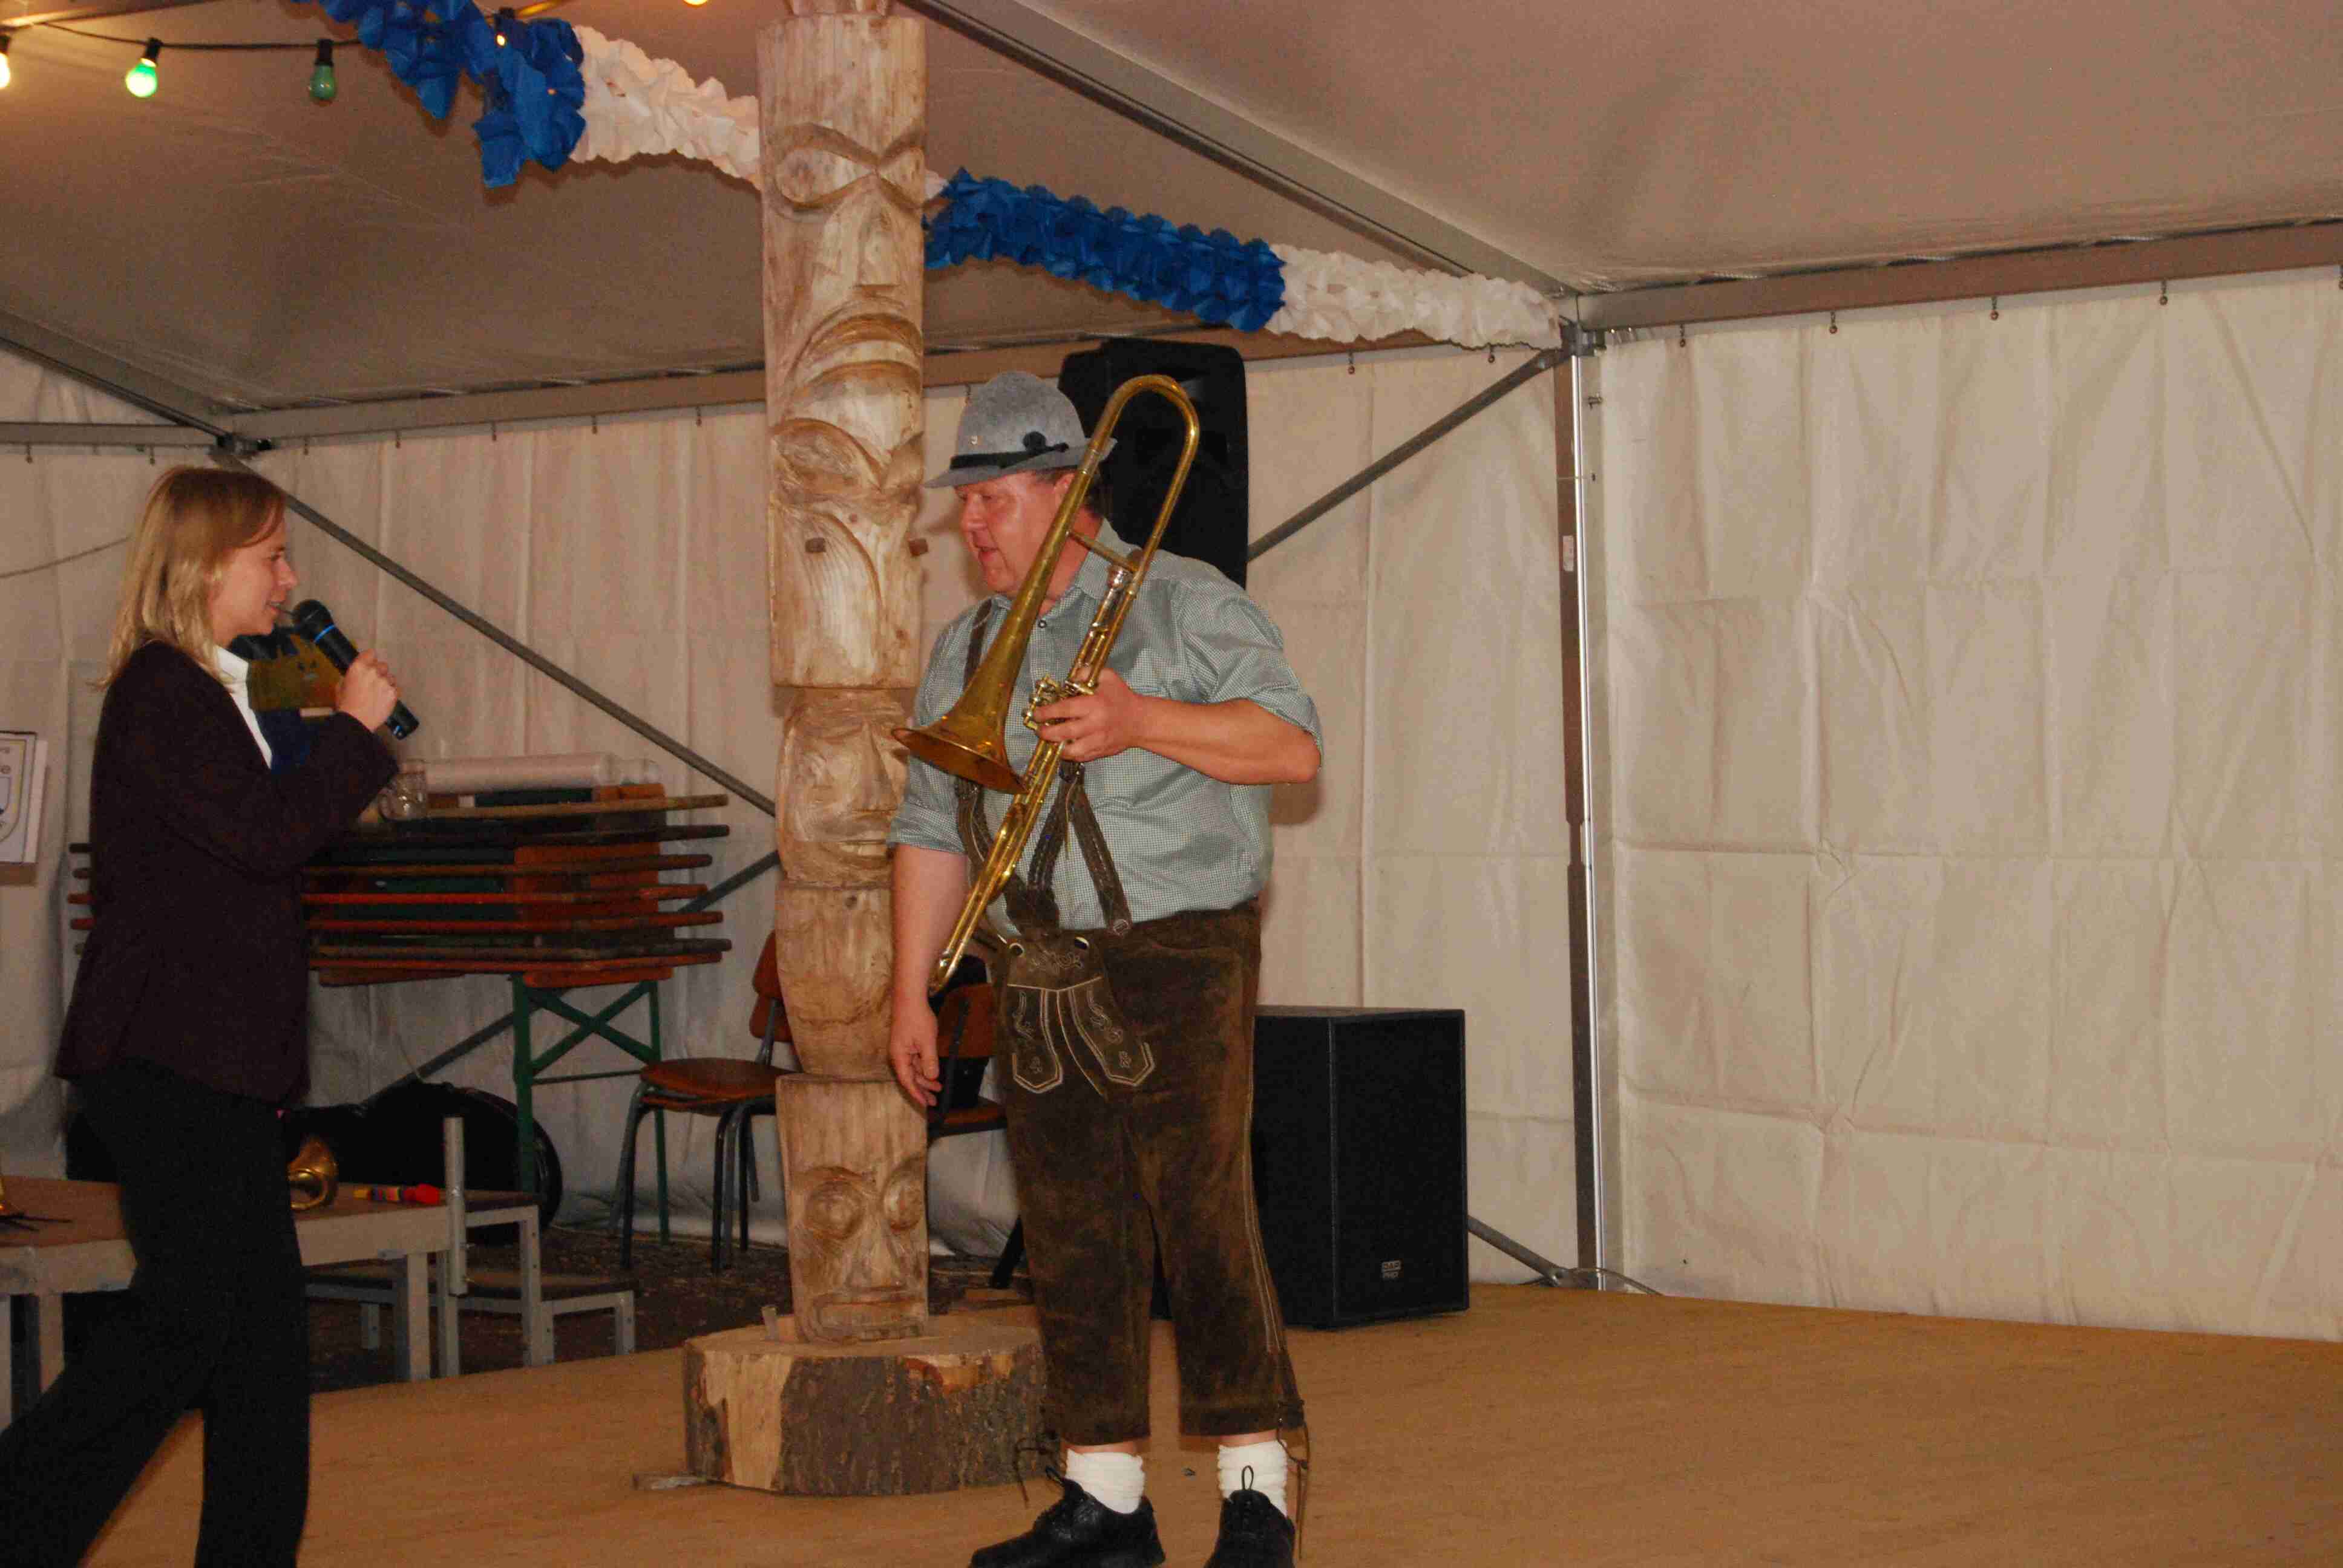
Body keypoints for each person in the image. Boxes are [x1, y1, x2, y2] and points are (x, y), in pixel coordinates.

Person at [888, 373, 1321, 1568]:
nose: (972, 523)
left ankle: (1256, 1492)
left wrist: (1143, 722)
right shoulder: (968, 643)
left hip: (1178, 953)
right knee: (1072, 1230)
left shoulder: (1185, 601)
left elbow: (1291, 747)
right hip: (1035, 962)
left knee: (1200, 1216)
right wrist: (911, 988)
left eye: (995, 498)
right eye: (966, 501)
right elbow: (928, 825)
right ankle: (1106, 1501)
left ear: (1069, 492)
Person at [0, 467, 401, 1567]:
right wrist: (356, 737)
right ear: (204, 563)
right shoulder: (160, 692)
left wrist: (336, 741)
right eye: (270, 555)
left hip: (220, 1064)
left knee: (261, 1356)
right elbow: (267, 838)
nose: (289, 577)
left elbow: (266, 829)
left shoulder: (231, 687)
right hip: (166, 1062)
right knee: (180, 1329)